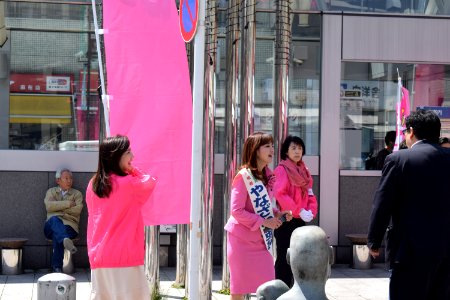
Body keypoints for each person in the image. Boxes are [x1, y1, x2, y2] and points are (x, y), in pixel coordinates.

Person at [367, 109, 450, 300]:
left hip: (409, 251)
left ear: (411, 131)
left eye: (405, 131)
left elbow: (382, 203)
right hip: (445, 249)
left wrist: (374, 240)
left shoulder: (399, 159)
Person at [86, 135, 157, 300]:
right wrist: (133, 170)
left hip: (99, 256)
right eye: (128, 152)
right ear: (116, 155)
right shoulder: (129, 183)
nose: (132, 157)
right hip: (125, 256)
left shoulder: (93, 184)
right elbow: (150, 182)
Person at [225, 132, 292, 300]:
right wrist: (264, 222)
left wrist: (279, 213)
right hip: (241, 240)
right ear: (255, 150)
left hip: (262, 242)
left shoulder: (269, 176)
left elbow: (266, 207)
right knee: (238, 289)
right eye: (267, 146)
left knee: (269, 285)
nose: (272, 149)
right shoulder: (243, 177)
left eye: (272, 145)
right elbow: (236, 210)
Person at [273, 135, 318, 287]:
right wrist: (299, 210)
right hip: (286, 220)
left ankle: (294, 290)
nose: (297, 151)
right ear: (286, 151)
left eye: (300, 148)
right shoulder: (282, 170)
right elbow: (280, 194)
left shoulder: (304, 170)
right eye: (293, 148)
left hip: (299, 220)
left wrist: (311, 210)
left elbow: (310, 193)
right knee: (284, 258)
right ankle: (281, 290)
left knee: (298, 257)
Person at [44, 168, 83, 273]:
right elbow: (49, 206)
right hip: (50, 226)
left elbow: (77, 210)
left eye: (71, 178)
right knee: (55, 220)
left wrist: (57, 209)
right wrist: (68, 204)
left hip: (70, 226)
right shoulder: (51, 192)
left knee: (58, 234)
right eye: (66, 178)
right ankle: (65, 239)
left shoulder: (77, 194)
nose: (69, 181)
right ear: (58, 180)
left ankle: (57, 268)